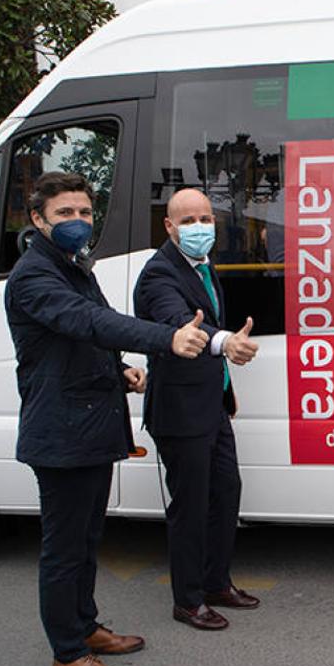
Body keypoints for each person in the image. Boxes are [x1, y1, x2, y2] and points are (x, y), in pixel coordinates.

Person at [5, 172, 211, 666]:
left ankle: (86, 626)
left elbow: (91, 332)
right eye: (64, 214)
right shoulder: (34, 277)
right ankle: (68, 652)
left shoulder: (74, 267)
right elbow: (87, 322)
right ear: (37, 220)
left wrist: (119, 369)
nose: (77, 222)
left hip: (90, 425)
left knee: (88, 540)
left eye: (84, 212)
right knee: (64, 548)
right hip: (61, 432)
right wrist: (166, 338)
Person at [134, 188, 262, 631]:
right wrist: (226, 342)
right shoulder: (158, 275)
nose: (200, 227)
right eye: (188, 221)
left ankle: (215, 582)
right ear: (169, 227)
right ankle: (187, 600)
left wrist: (224, 387)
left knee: (226, 493)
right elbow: (178, 322)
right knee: (191, 506)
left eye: (206, 218)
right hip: (180, 413)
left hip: (211, 405)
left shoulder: (203, 267)